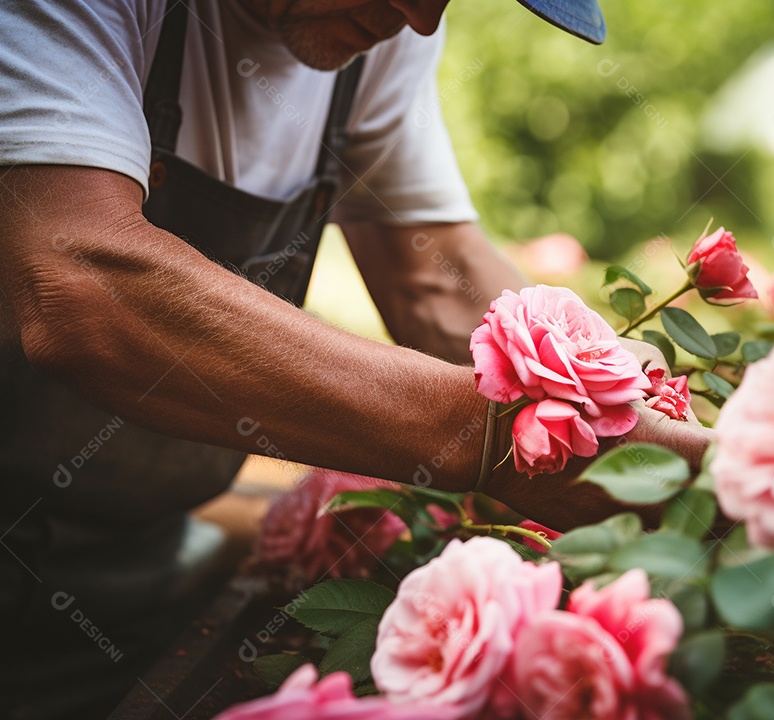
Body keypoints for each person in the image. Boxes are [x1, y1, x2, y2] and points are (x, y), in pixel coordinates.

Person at [0, 0, 711, 717]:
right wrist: (491, 443)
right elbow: (83, 283)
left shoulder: (380, 37)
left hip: (139, 568)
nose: (423, 19)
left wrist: (611, 400)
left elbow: (431, 278)